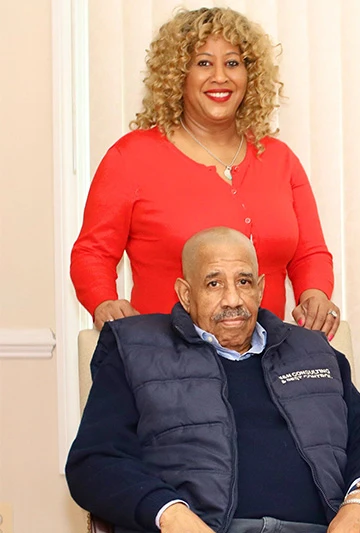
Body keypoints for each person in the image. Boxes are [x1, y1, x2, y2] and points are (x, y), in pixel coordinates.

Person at [65, 227, 360, 533]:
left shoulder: (313, 351)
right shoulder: (135, 351)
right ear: (186, 294)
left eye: (243, 282)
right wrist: (168, 514)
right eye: (214, 283)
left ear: (260, 288)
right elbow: (94, 462)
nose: (232, 300)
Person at [70, 7, 340, 338]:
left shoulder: (279, 159)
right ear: (177, 74)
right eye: (203, 63)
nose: (220, 77)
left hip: (263, 359)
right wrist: (104, 302)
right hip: (167, 363)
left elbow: (310, 254)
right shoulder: (130, 157)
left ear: (249, 75)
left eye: (232, 63)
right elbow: (92, 253)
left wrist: (315, 294)